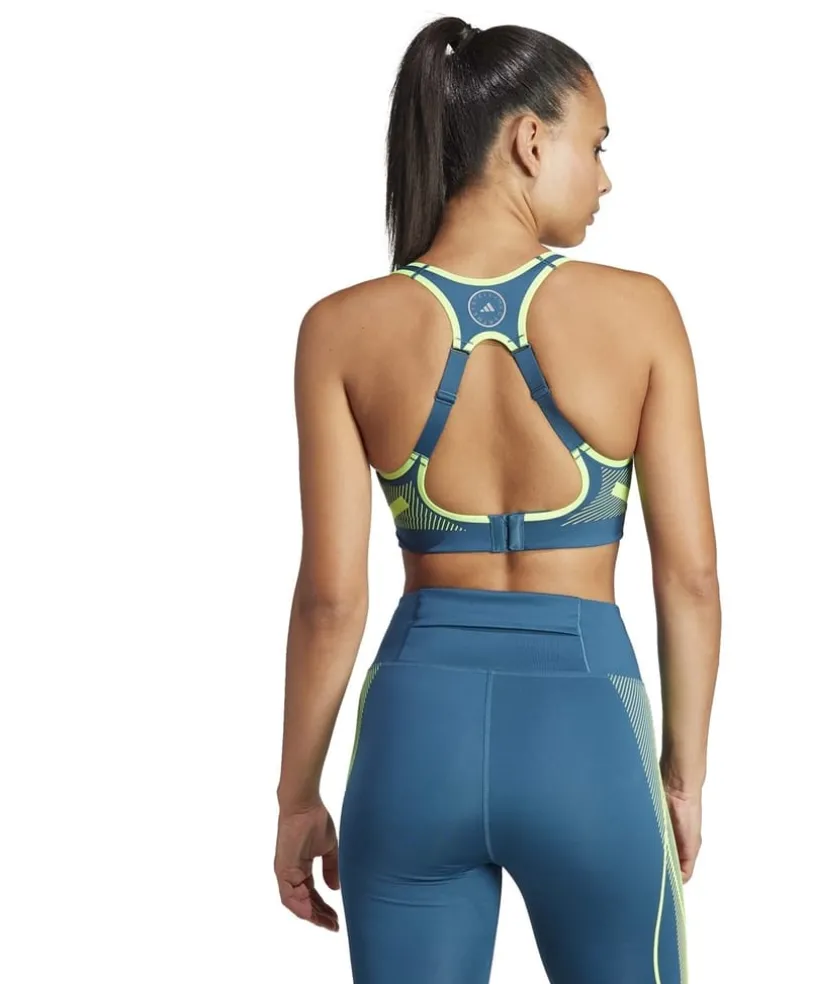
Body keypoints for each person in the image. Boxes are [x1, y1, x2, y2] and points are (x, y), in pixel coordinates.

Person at [273, 14, 720, 984]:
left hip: (413, 740)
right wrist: (682, 776)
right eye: (596, 146)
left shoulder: (340, 329)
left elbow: (330, 600)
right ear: (529, 141)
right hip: (587, 735)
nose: (604, 179)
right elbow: (689, 577)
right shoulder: (640, 311)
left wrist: (296, 797)